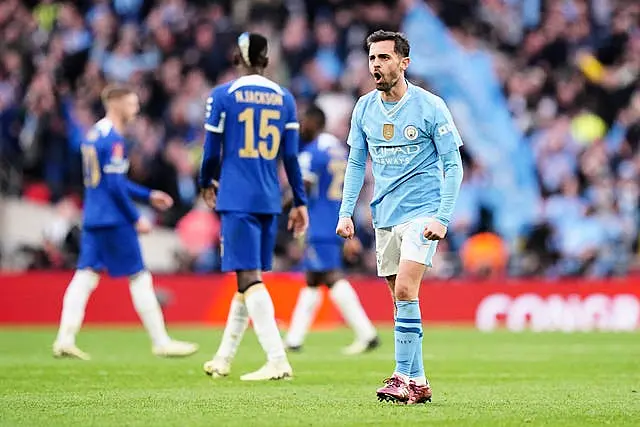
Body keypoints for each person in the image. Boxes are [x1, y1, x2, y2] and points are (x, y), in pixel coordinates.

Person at [336, 30, 464, 404]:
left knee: (407, 290)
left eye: (384, 58)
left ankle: (400, 376)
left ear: (403, 63)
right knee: (400, 301)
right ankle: (420, 382)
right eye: (372, 58)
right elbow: (357, 162)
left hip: (421, 214)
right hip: (384, 215)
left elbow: (452, 166)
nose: (376, 65)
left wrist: (441, 217)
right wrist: (346, 213)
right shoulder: (364, 108)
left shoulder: (430, 106)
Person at [53, 84, 199, 360]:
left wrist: (148, 194)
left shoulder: (95, 133)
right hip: (114, 219)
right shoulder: (115, 139)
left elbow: (113, 180)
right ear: (116, 104)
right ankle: (161, 341)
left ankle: (65, 338)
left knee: (84, 277)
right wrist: (136, 217)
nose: (136, 109)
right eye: (132, 104)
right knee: (139, 276)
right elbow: (115, 186)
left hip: (94, 216)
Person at [199, 32, 308, 381]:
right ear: (266, 57)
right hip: (268, 197)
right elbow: (290, 156)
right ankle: (223, 358)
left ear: (237, 58)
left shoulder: (222, 95)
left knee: (248, 279)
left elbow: (210, 150)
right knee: (249, 279)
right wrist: (300, 200)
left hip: (236, 196)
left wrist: (206, 181)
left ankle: (277, 359)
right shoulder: (285, 97)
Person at [284, 105, 379, 355]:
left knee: (331, 276)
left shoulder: (312, 152)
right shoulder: (338, 149)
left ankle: (367, 333)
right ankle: (294, 339)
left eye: (304, 121)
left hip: (320, 222)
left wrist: (276, 204)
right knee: (313, 280)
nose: (301, 127)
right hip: (336, 217)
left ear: (315, 122)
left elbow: (301, 186)